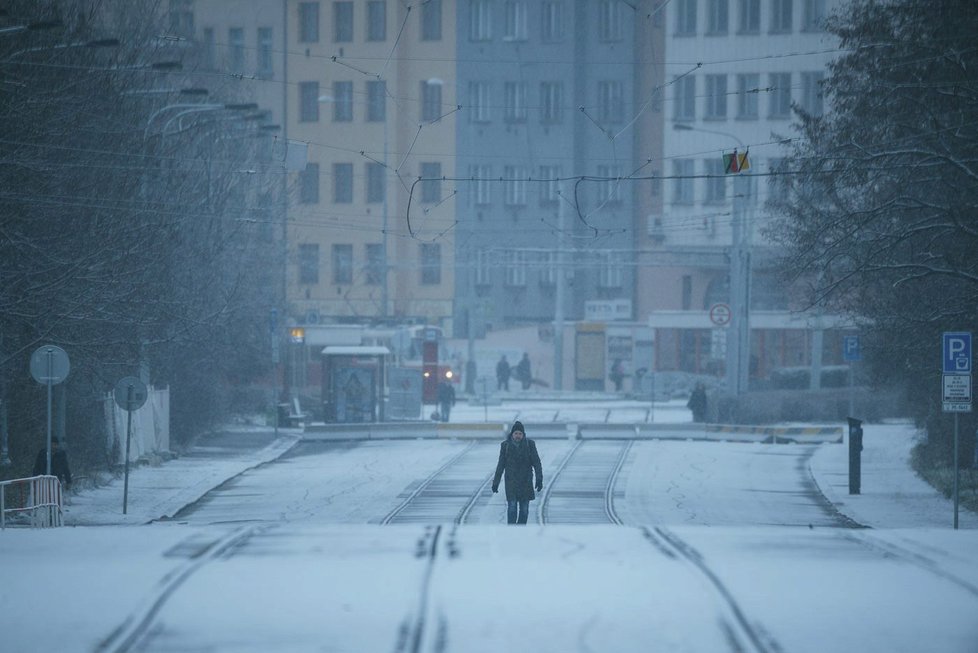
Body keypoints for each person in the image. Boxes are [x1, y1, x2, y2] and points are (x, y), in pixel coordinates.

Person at [491, 420, 543, 525]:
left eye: (520, 434)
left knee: (524, 510)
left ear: (523, 435)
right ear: (512, 434)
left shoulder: (530, 445)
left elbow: (537, 463)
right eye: (516, 433)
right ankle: (511, 531)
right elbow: (500, 466)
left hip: (526, 482)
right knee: (512, 508)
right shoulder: (505, 446)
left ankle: (521, 530)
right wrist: (495, 483)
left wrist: (539, 479)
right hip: (511, 482)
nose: (518, 436)